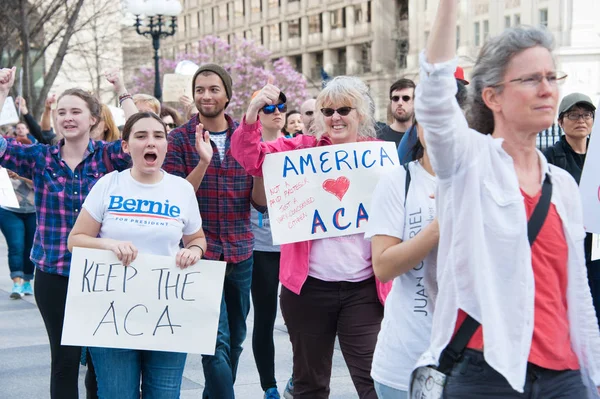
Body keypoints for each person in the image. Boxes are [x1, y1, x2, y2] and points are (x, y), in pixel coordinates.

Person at [412, 1, 600, 397]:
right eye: (532, 79)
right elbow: (433, 100)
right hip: (487, 369)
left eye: (552, 76)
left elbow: (577, 292)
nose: (548, 89)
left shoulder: (563, 185)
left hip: (563, 374)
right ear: (492, 97)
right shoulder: (467, 162)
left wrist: (592, 369)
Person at [231, 76, 387, 399]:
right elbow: (250, 157)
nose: (335, 118)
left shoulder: (379, 157)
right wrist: (251, 115)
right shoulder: (300, 150)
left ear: (361, 114)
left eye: (344, 109)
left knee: (374, 382)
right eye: (327, 111)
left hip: (364, 290)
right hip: (309, 290)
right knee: (309, 385)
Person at [0, 66, 131, 399]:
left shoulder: (108, 157)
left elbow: (143, 134)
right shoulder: (40, 158)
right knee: (64, 361)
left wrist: (122, 89)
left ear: (93, 119)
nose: (68, 118)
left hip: (102, 273)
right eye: (62, 112)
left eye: (76, 111)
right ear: (55, 120)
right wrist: (2, 92)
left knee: (100, 363)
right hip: (54, 273)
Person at [67, 112, 207, 399]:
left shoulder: (181, 189)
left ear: (166, 145)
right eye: (140, 136)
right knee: (118, 394)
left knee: (165, 395)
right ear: (126, 146)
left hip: (168, 316)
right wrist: (110, 245)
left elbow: (197, 239)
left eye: (158, 136)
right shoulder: (109, 185)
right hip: (111, 315)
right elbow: (75, 240)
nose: (150, 142)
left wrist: (193, 251)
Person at [163, 63, 257, 399]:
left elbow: (259, 202)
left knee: (235, 340)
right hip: (199, 252)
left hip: (241, 251)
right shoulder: (177, 140)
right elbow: (176, 199)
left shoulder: (246, 138)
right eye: (200, 89)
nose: (206, 96)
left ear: (228, 95)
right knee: (212, 343)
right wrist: (203, 161)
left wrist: (260, 166)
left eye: (214, 89)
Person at [365, 120, 438, 399]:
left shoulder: (487, 181)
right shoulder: (399, 180)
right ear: (418, 127)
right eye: (432, 116)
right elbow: (383, 267)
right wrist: (439, 226)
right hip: (405, 363)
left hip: (471, 362)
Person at [544, 92, 600, 327]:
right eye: (573, 115)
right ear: (560, 122)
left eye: (587, 114)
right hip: (567, 247)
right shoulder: (549, 158)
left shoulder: (597, 157)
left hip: (596, 245)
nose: (581, 120)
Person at [246, 89, 287, 399]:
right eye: (268, 107)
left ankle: (300, 377)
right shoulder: (249, 149)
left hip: (294, 245)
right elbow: (258, 203)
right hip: (261, 248)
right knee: (265, 316)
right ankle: (269, 384)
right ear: (257, 114)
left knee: (303, 317)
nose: (276, 111)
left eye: (281, 106)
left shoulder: (299, 147)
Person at [0, 137, 36, 299]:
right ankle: (16, 282)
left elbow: (40, 185)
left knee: (30, 248)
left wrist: (19, 176)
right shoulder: (4, 163)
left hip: (32, 211)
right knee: (16, 246)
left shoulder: (35, 165)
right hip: (9, 210)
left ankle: (27, 280)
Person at [376, 79, 415, 147]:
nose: (400, 103)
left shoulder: (422, 137)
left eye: (406, 98)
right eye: (395, 98)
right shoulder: (378, 136)